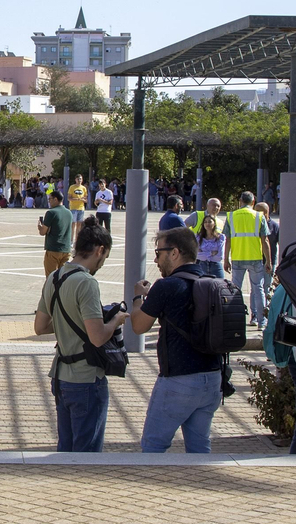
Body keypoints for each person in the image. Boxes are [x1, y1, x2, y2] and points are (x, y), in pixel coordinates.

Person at [129, 227, 227, 454]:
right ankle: (199, 487)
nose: (156, 259)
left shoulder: (166, 286)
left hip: (178, 381)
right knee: (200, 448)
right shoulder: (212, 282)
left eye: (158, 252)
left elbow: (138, 326)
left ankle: (152, 489)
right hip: (212, 379)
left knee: (153, 447)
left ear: (174, 253)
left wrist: (137, 298)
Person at [34, 219, 125, 453]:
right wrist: (115, 320)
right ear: (100, 250)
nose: (102, 263)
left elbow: (41, 327)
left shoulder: (54, 277)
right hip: (85, 378)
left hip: (61, 376)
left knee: (65, 448)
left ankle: (62, 487)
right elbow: (97, 337)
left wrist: (70, 320)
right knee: (86, 453)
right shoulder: (86, 282)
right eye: (104, 258)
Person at [223, 191, 271, 329]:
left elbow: (228, 240)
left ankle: (235, 321)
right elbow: (265, 240)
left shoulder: (231, 216)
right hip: (255, 257)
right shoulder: (258, 216)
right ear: (253, 202)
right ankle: (261, 322)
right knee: (258, 289)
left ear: (240, 201)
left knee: (235, 290)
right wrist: (268, 261)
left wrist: (226, 259)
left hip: (238, 257)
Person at [37, 190, 73, 277]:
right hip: (66, 249)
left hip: (53, 249)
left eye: (50, 199)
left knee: (51, 278)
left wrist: (39, 227)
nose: (49, 201)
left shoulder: (51, 212)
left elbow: (43, 232)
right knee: (63, 278)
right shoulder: (69, 213)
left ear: (55, 199)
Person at [194, 209, 224, 278]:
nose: (207, 224)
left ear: (214, 223)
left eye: (210, 222)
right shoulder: (198, 237)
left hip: (216, 267)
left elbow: (219, 257)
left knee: (219, 287)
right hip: (202, 266)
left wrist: (203, 252)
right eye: (205, 222)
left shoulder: (220, 237)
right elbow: (197, 255)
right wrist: (211, 253)